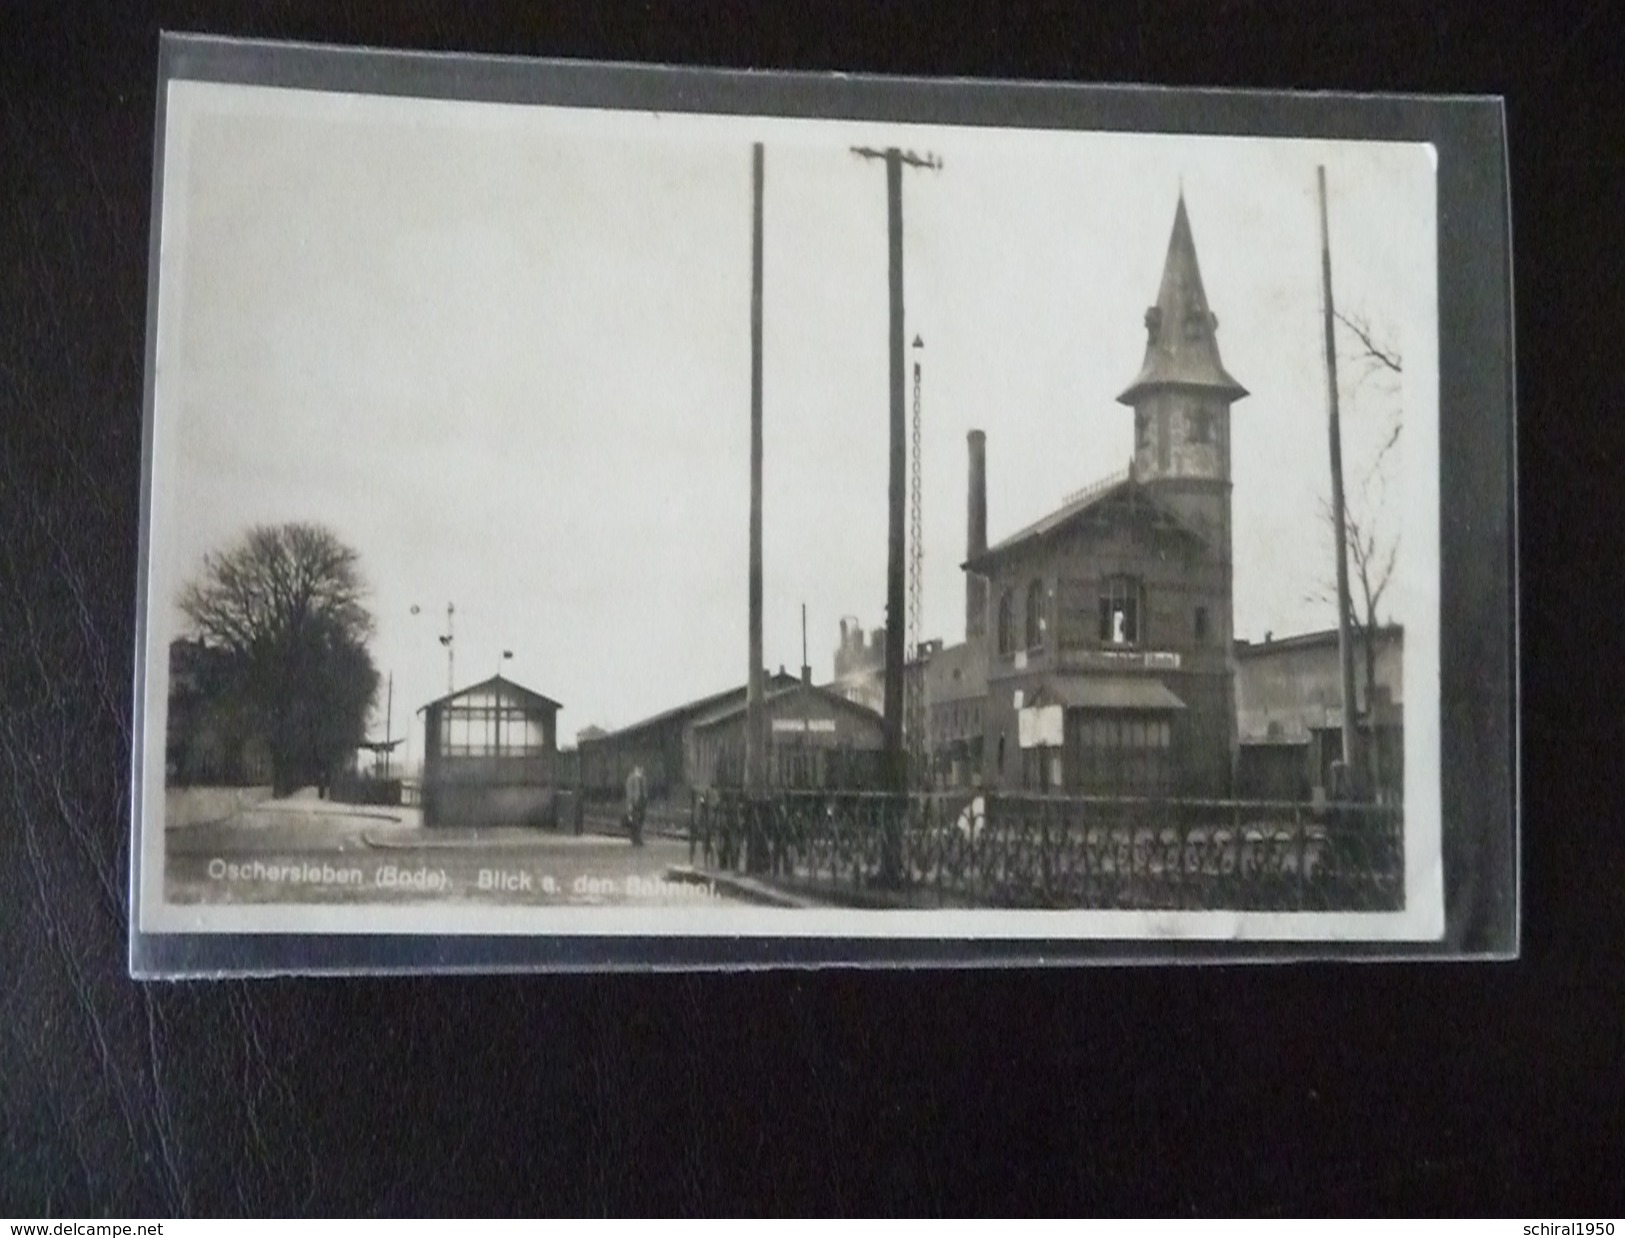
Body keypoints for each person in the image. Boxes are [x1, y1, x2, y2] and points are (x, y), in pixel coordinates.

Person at [624, 765, 647, 847]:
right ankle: (635, 839)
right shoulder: (631, 779)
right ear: (635, 769)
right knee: (635, 821)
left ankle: (637, 837)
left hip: (642, 802)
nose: (641, 770)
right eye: (639, 768)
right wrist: (630, 803)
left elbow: (644, 790)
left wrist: (645, 799)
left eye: (642, 768)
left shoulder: (643, 779)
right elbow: (629, 792)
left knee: (640, 820)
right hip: (634, 803)